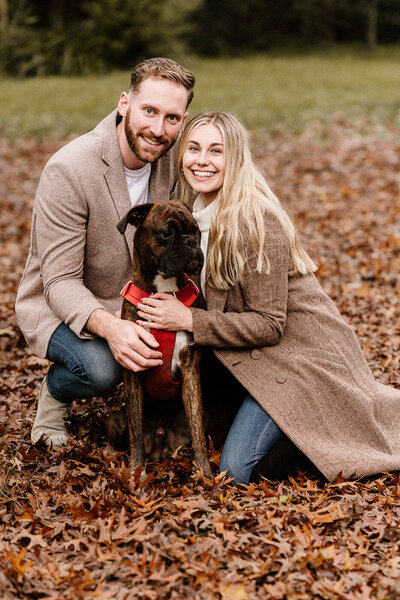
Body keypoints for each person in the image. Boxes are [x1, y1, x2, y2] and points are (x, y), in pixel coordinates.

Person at [135, 110, 400, 484]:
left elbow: (270, 324)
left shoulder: (257, 222)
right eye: (193, 148)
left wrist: (189, 321)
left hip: (298, 361)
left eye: (216, 151)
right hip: (251, 358)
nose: (202, 160)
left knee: (238, 472)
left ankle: (320, 428)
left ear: (236, 159)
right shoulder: (189, 217)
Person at [15, 57, 195, 449]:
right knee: (101, 369)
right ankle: (56, 394)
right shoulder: (70, 170)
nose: (158, 129)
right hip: (65, 302)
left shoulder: (181, 159)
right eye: (149, 111)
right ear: (124, 104)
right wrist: (113, 327)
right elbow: (59, 281)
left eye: (172, 118)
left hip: (144, 299)